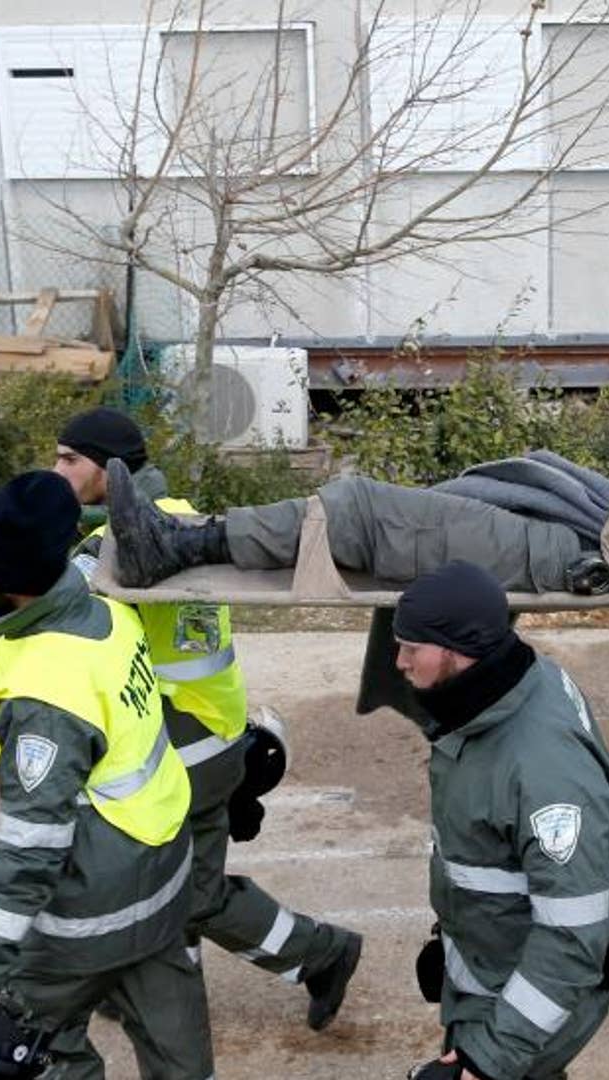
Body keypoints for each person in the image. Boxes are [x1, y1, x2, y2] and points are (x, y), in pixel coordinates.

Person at [52, 408, 364, 1034]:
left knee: (178, 889)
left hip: (177, 744)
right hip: (215, 733)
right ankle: (148, 980)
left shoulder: (112, 548)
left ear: (108, 470)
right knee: (173, 879)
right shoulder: (185, 514)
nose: (56, 470)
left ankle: (319, 952)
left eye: (68, 460)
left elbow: (59, 623)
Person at [0, 471, 211, 1079]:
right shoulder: (100, 604)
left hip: (90, 915)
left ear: (11, 585)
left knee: (18, 1041)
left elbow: (29, 854)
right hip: (161, 885)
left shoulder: (44, 700)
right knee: (180, 1058)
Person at [391, 561, 609, 1080]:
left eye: (412, 648)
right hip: (502, 967)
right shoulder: (513, 683)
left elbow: (573, 940)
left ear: (459, 651)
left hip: (536, 992)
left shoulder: (544, 773)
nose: (398, 662)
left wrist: (488, 1059)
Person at [102, 451, 609, 622]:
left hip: (570, 551)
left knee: (363, 510)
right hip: (574, 529)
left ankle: (181, 545)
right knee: (371, 512)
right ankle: (189, 535)